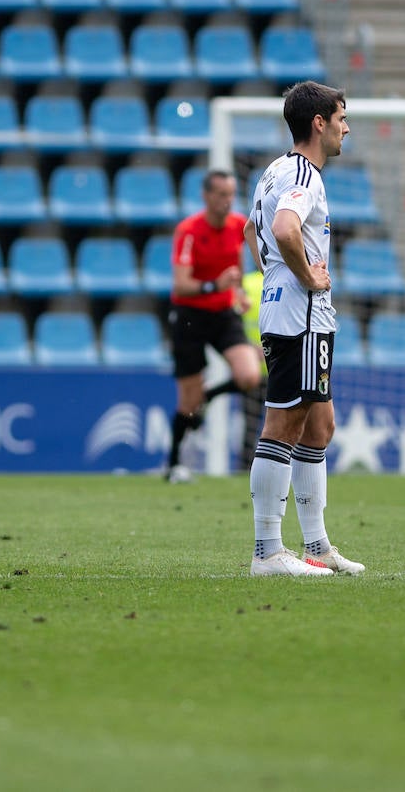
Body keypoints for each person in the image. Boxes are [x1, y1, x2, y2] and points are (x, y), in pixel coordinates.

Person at [241, 81, 363, 576]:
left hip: (290, 310)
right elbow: (286, 230)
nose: (345, 128)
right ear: (319, 123)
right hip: (300, 314)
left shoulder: (273, 171)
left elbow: (253, 230)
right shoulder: (303, 174)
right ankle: (267, 551)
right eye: (341, 117)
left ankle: (316, 546)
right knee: (285, 424)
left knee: (320, 425)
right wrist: (305, 275)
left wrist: (274, 276)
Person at [164, 169, 261, 483]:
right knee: (187, 402)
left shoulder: (237, 226)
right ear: (206, 196)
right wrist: (214, 285)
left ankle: (210, 395)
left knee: (249, 374)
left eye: (231, 194)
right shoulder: (189, 230)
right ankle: (174, 462)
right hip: (190, 315)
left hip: (222, 314)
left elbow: (237, 269)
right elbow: (180, 285)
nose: (227, 200)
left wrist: (239, 293)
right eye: (221, 194)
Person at [236, 266, 268, 470]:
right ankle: (286, 468)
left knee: (251, 423)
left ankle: (245, 466)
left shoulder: (245, 284)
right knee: (285, 424)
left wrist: (247, 347)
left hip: (252, 366)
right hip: (277, 368)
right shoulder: (289, 281)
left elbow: (232, 322)